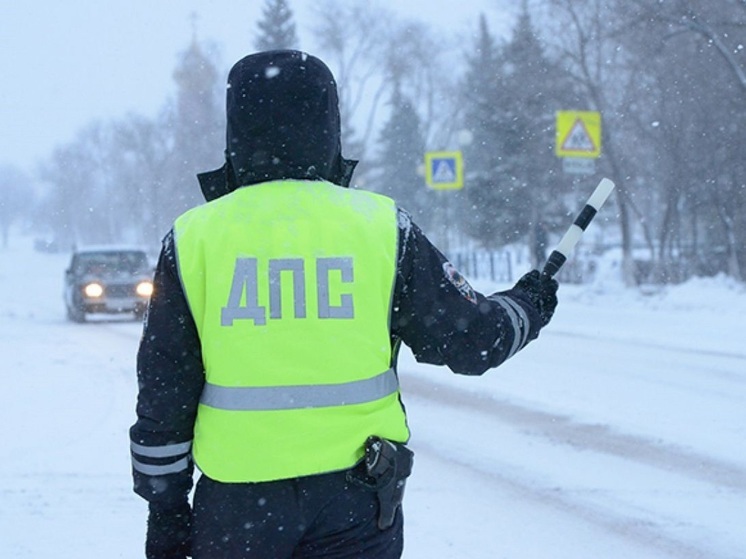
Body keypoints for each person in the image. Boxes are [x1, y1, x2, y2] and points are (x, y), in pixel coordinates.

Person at [130, 49, 558, 559]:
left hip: (238, 507)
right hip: (355, 500)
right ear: (329, 124)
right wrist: (527, 304)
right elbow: (473, 341)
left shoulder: (194, 236)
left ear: (236, 128)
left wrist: (167, 510)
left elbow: (164, 386)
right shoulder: (380, 226)